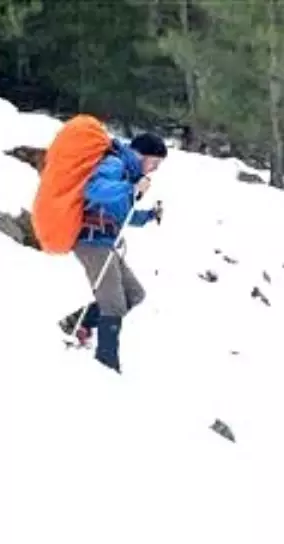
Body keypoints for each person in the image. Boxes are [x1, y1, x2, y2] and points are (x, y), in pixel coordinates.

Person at [58, 132, 167, 372]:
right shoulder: (114, 163)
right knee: (114, 304)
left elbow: (121, 215)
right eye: (155, 162)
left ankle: (77, 323)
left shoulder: (128, 174)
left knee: (134, 294)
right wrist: (131, 187)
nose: (155, 169)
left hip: (105, 241)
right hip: (91, 240)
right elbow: (94, 190)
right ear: (141, 154)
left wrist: (148, 215)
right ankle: (106, 365)